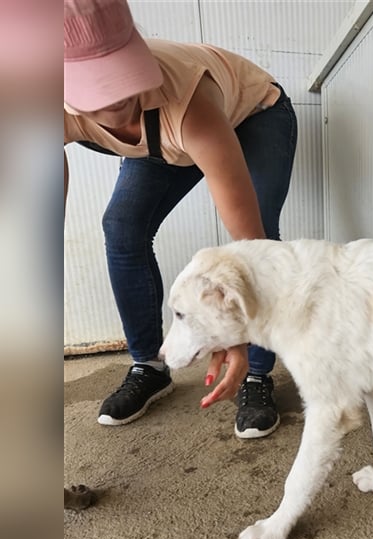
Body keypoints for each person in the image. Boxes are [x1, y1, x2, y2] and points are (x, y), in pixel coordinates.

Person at [63, 0, 297, 439]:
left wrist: (236, 338)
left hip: (252, 114)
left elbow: (248, 248)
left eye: (121, 84)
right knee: (122, 228)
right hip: (162, 142)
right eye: (96, 94)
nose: (115, 109)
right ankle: (149, 366)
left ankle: (257, 374)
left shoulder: (188, 103)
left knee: (258, 233)